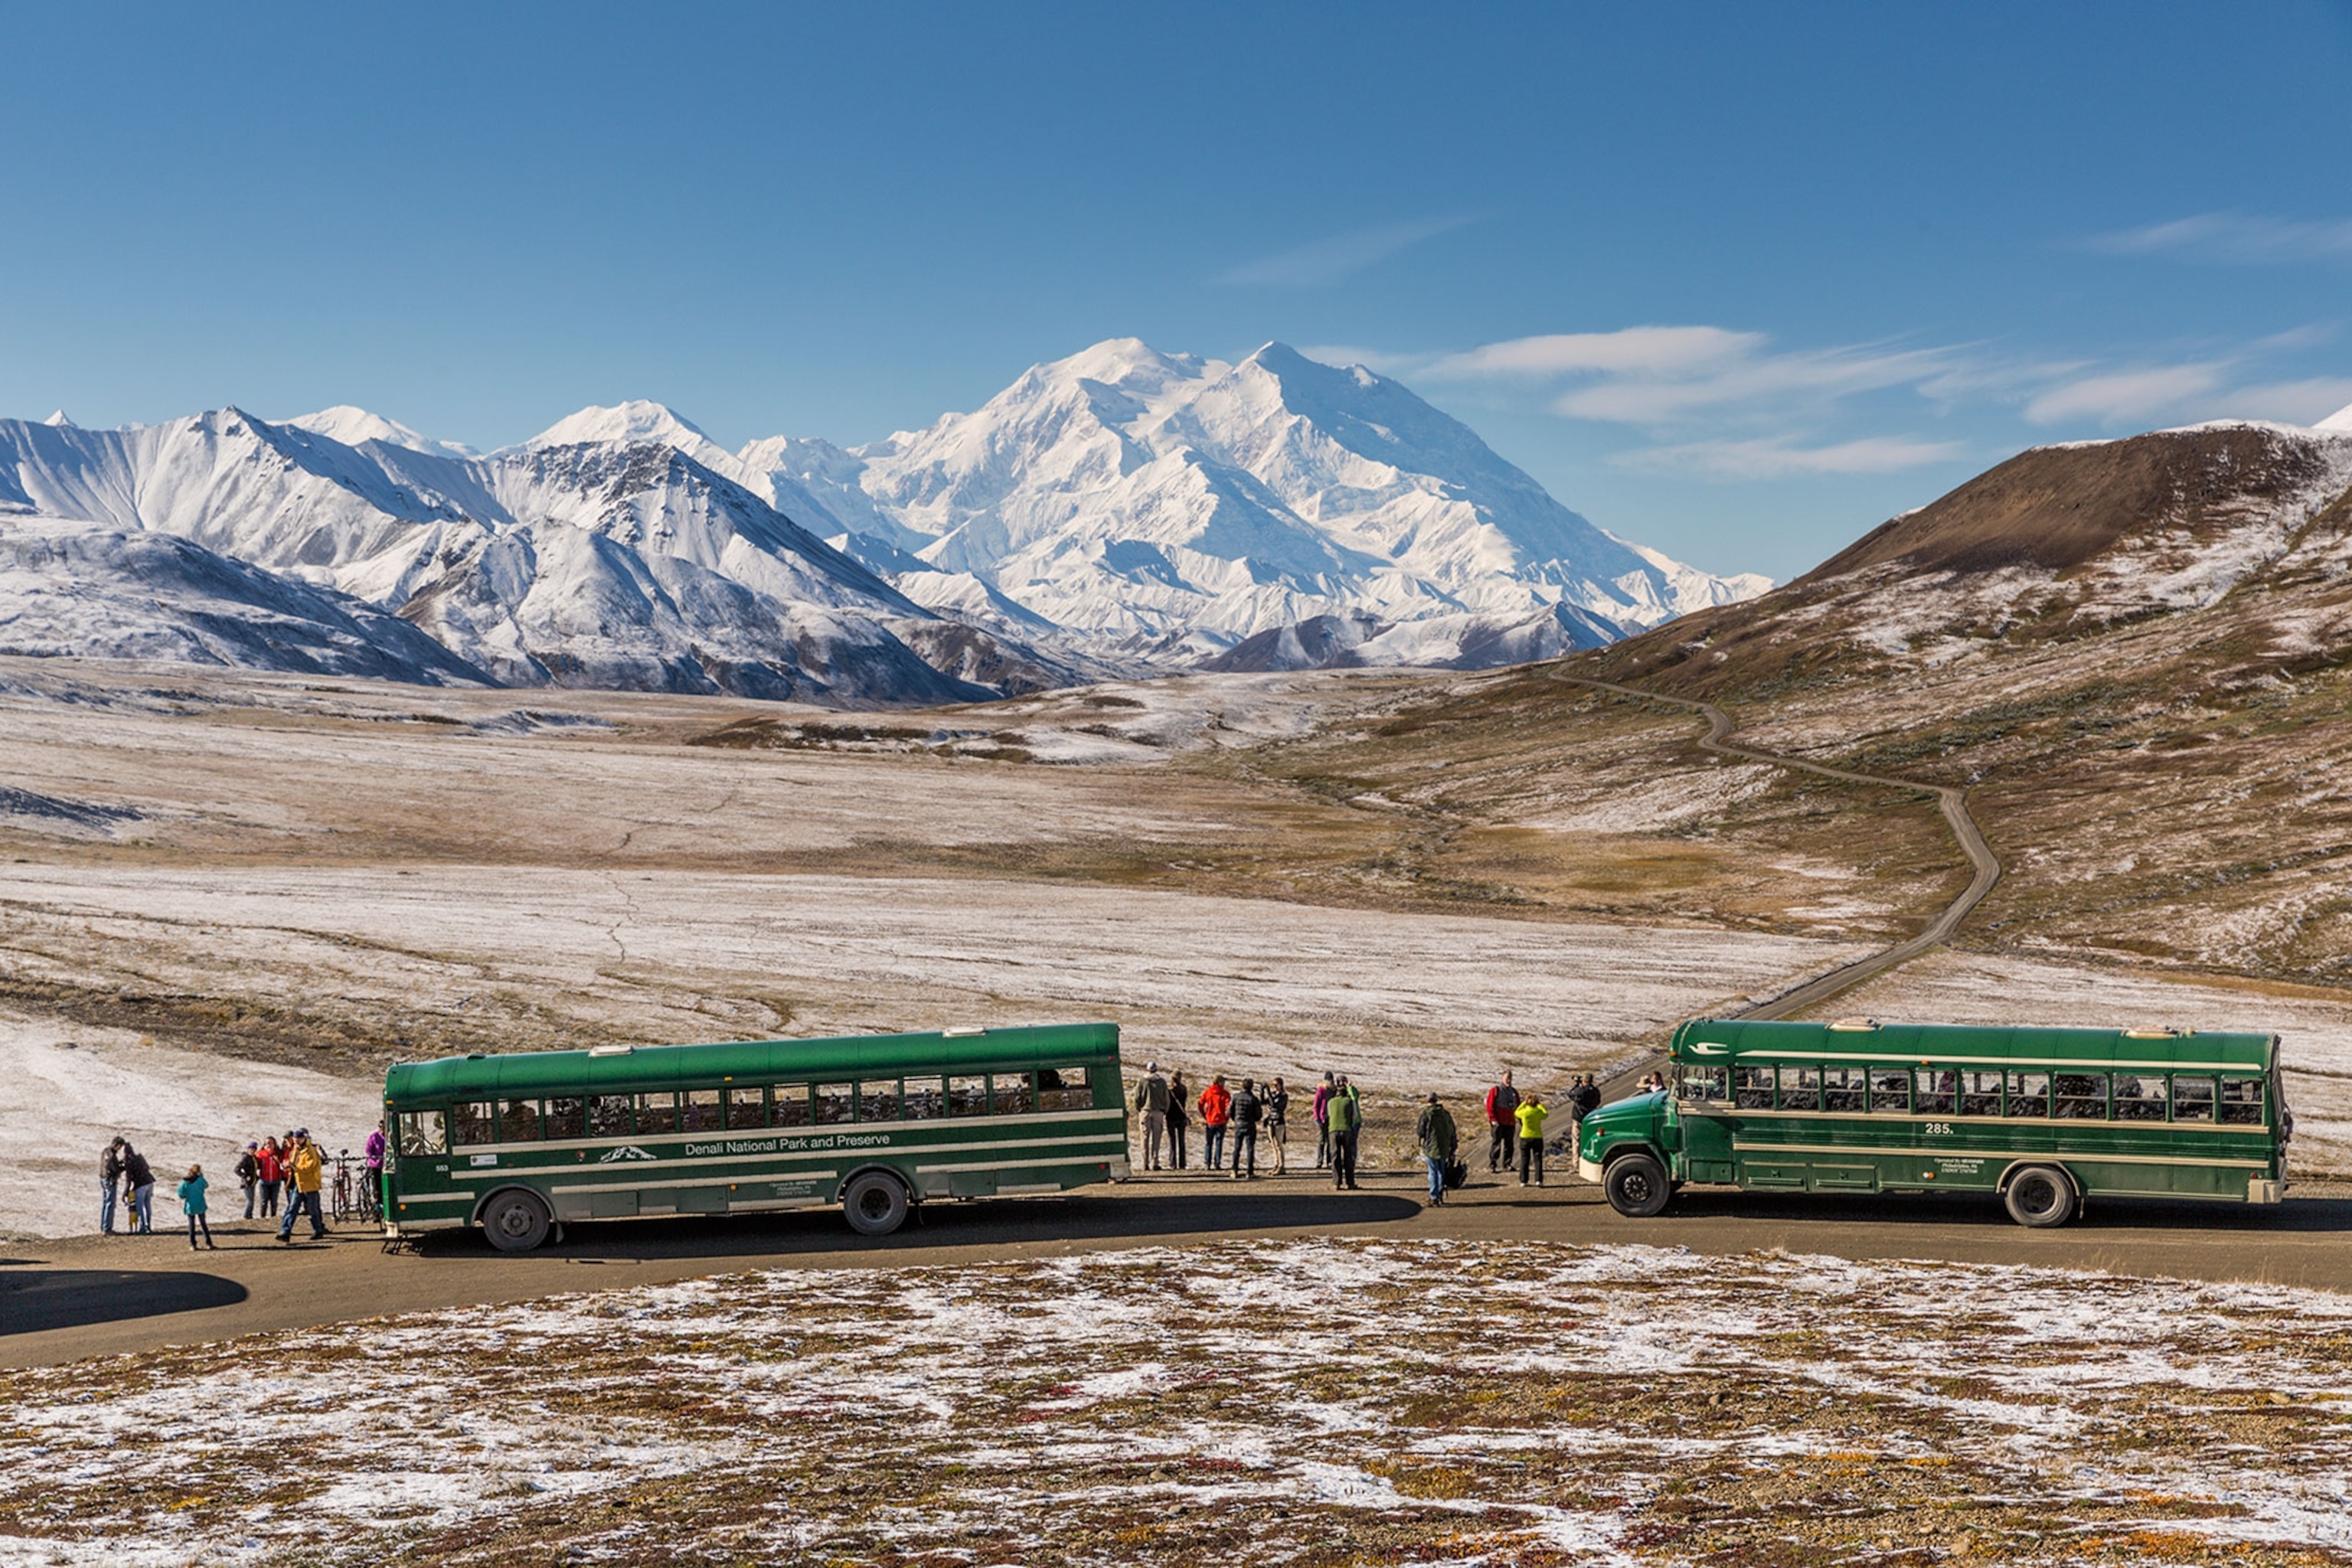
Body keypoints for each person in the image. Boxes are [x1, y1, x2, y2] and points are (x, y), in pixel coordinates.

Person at [279, 1129, 328, 1243]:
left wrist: (293, 1167)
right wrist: (287, 1165)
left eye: (298, 1138)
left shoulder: (311, 1151)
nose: (296, 1140)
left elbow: (309, 1168)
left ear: (304, 1138)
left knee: (312, 1209)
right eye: (295, 1138)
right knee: (292, 1208)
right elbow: (294, 1162)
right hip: (298, 1183)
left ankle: (318, 1230)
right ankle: (285, 1232)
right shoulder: (296, 1149)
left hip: (310, 1184)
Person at [1416, 1093, 1458, 1205]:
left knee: (1433, 1172)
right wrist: (1452, 1145)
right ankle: (1439, 1195)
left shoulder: (1426, 1114)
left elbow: (1420, 1131)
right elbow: (1452, 1130)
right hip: (1444, 1147)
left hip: (1431, 1147)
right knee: (1441, 1171)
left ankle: (1434, 1196)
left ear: (1428, 1101)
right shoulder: (1445, 1114)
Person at [1133, 1062, 1171, 1171]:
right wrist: (1165, 1110)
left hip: (1145, 1111)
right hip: (1158, 1112)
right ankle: (1155, 1162)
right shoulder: (1162, 1082)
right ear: (1156, 1069)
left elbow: (1137, 1097)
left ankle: (1145, 1163)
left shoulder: (1142, 1081)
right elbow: (1166, 1099)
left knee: (1144, 1138)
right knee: (1156, 1138)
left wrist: (1140, 1109)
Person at [1326, 1074, 1361, 1190]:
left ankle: (1336, 1183)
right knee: (1348, 1157)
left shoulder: (1331, 1102)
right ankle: (1350, 1183)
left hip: (1333, 1130)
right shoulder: (1349, 1101)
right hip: (1347, 1130)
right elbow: (1355, 1115)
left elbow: (1329, 1114)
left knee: (1335, 1156)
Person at [1484, 1071, 1521, 1175]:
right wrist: (1493, 1119)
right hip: (1498, 1123)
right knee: (1496, 1144)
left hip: (1510, 1123)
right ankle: (1493, 1164)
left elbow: (1519, 1107)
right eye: (1507, 1078)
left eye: (1510, 1078)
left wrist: (1521, 1119)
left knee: (1509, 1145)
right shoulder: (1495, 1090)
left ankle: (1507, 1164)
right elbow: (1489, 1106)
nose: (1508, 1081)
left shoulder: (1514, 1092)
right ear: (1502, 1079)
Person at [1514, 1093, 1550, 1186]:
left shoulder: (1524, 1112)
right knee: (1538, 1159)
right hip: (1537, 1136)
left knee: (1525, 1159)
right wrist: (1540, 1106)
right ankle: (1538, 1180)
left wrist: (1523, 1103)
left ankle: (1523, 1180)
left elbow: (1516, 1112)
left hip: (1525, 1136)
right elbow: (1546, 1114)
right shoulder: (1538, 1112)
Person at [178, 1164, 217, 1250]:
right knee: (203, 1224)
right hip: (200, 1204)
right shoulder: (200, 1180)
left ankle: (193, 1245)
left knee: (191, 1226)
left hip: (190, 1205)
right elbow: (206, 1185)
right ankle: (209, 1243)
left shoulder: (186, 1181)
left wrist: (184, 1196)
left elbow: (180, 1192)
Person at [1230, 1078, 1263, 1180]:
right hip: (1250, 1125)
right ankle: (1249, 1171)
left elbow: (1231, 1111)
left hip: (1239, 1124)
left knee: (1237, 1148)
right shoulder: (1253, 1099)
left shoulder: (1236, 1097)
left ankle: (1234, 1170)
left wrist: (1235, 1119)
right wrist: (1253, 1119)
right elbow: (1259, 1115)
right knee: (1250, 1149)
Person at [1197, 1076, 1233, 1171]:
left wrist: (1205, 1115)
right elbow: (1228, 1107)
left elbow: (1200, 1103)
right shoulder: (1225, 1094)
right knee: (1219, 1143)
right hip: (1221, 1121)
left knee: (1209, 1143)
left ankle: (1207, 1163)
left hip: (1210, 1121)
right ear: (1219, 1082)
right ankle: (1217, 1163)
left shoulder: (1208, 1092)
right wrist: (1226, 1118)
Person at [100, 1136, 126, 1234]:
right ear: (117, 1145)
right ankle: (107, 1228)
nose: (119, 1149)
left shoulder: (106, 1151)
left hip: (103, 1178)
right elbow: (116, 1169)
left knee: (106, 1203)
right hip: (110, 1180)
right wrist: (124, 1165)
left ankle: (104, 1226)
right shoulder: (112, 1156)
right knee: (110, 1204)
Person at [1263, 1076, 1289, 1176]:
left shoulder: (1284, 1096)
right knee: (1273, 1145)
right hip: (1271, 1121)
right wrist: (1263, 1091)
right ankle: (1276, 1163)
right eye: (1273, 1085)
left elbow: (1274, 1104)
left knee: (1279, 1145)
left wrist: (1268, 1092)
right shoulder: (1273, 1095)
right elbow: (1264, 1102)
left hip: (1279, 1122)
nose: (1274, 1087)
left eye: (1276, 1085)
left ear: (1281, 1086)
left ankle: (1282, 1166)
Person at [1165, 1071, 1190, 1171]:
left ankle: (1172, 1163)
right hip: (1181, 1117)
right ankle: (1182, 1163)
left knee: (1172, 1141)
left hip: (1171, 1117)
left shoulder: (1169, 1090)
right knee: (1181, 1141)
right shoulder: (1183, 1089)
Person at [1312, 1072, 1336, 1168]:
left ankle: (1329, 1162)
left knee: (1331, 1141)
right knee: (1322, 1141)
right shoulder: (1321, 1090)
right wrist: (1317, 1119)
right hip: (1323, 1118)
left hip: (1332, 1118)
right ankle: (1320, 1161)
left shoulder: (1334, 1091)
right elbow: (1316, 1106)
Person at [256, 1137, 284, 1218]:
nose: (269, 1145)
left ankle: (273, 1216)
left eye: (271, 1143)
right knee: (263, 1201)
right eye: (267, 1143)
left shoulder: (278, 1154)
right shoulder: (261, 1154)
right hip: (264, 1181)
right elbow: (255, 1164)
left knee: (274, 1201)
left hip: (276, 1180)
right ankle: (263, 1217)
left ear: (274, 1144)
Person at [235, 1142, 262, 1219]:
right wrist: (245, 1176)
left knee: (252, 1200)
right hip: (247, 1182)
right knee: (250, 1200)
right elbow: (237, 1169)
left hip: (253, 1181)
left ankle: (250, 1215)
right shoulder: (246, 1158)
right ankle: (246, 1215)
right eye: (251, 1149)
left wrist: (256, 1177)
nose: (252, 1150)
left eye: (254, 1149)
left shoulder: (254, 1158)